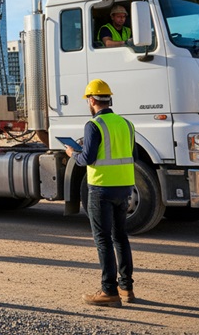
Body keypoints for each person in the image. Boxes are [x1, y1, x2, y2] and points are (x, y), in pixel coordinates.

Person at [65, 79, 136, 307]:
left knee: (103, 240)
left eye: (88, 100)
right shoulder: (126, 124)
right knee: (120, 237)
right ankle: (126, 288)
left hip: (101, 188)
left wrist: (72, 154)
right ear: (109, 98)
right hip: (124, 186)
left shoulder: (93, 125)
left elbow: (87, 159)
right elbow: (127, 152)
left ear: (92, 100)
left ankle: (109, 291)